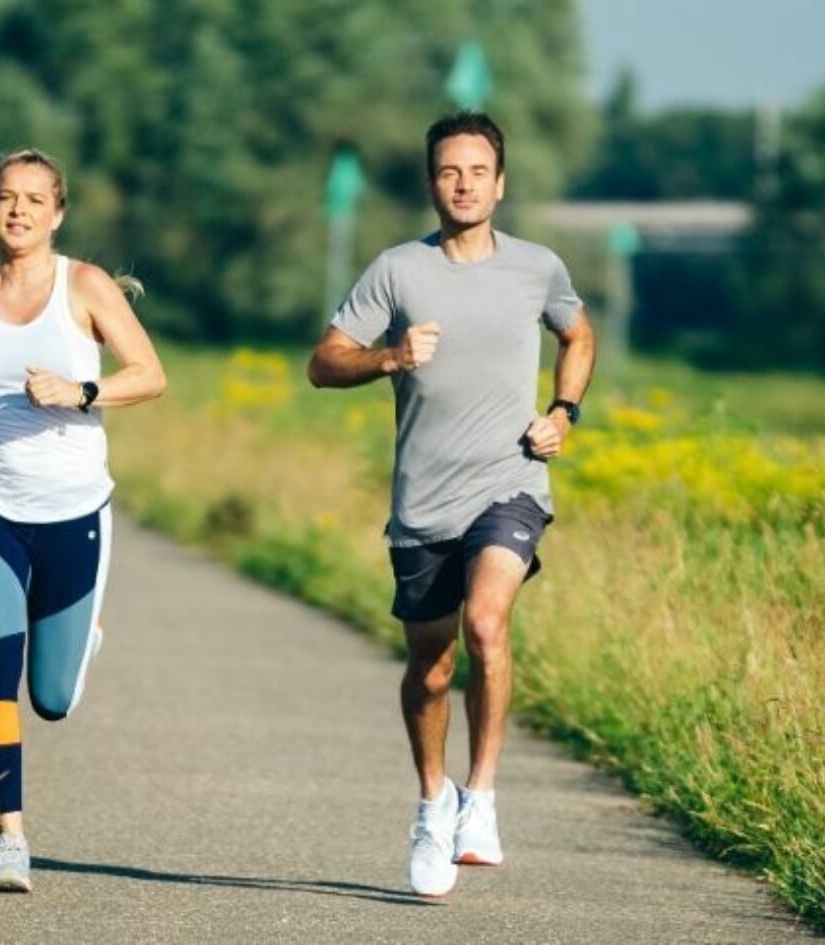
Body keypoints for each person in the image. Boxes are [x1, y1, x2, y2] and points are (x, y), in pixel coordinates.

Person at [306, 112, 595, 898]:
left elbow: (578, 334)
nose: (464, 184)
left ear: (501, 184)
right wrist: (389, 355)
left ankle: (483, 797)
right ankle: (432, 802)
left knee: (487, 623)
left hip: (510, 485)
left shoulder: (538, 267)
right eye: (449, 172)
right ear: (431, 183)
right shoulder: (398, 271)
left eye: (478, 172)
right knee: (430, 670)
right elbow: (323, 362)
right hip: (422, 503)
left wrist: (563, 413)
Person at [0, 148, 166, 893]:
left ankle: (81, 638)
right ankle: (10, 839)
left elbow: (151, 375)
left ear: (58, 212)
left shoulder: (83, 287)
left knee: (51, 697)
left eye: (32, 199)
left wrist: (81, 391)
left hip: (76, 510)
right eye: (4, 198)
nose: (17, 210)